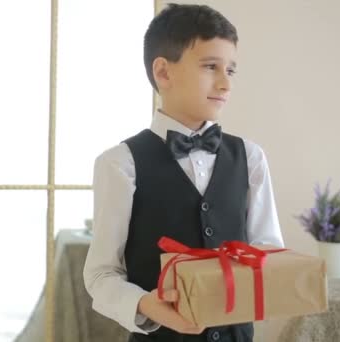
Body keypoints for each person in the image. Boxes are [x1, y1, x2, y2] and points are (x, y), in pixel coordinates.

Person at [83, 4, 285, 342]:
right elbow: (101, 275)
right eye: (210, 66)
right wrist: (145, 304)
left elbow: (267, 250)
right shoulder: (120, 164)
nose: (225, 83)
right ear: (163, 72)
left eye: (231, 70)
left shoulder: (251, 157)